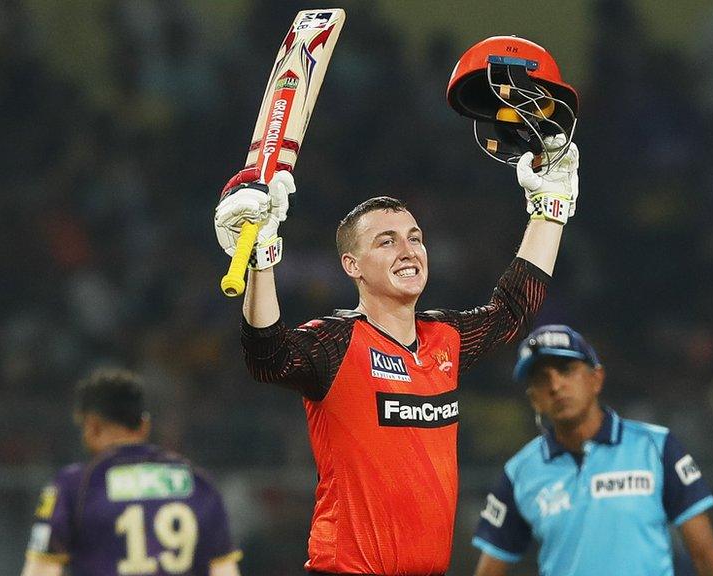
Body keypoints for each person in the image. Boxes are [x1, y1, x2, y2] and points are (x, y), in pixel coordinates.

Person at [213, 109, 579, 575]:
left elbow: (513, 310)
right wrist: (261, 260)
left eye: (415, 237)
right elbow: (268, 356)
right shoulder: (335, 342)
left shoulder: (444, 338)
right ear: (352, 265)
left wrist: (550, 207)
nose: (408, 250)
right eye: (386, 242)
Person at [472, 325, 713, 576]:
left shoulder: (656, 447)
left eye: (566, 370)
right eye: (541, 379)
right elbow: (489, 568)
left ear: (596, 378)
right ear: (533, 399)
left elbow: (705, 554)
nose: (555, 386)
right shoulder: (520, 471)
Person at [20, 368, 242, 576]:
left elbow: (42, 570)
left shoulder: (73, 487)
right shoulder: (197, 483)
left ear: (92, 426)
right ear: (144, 425)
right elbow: (224, 570)